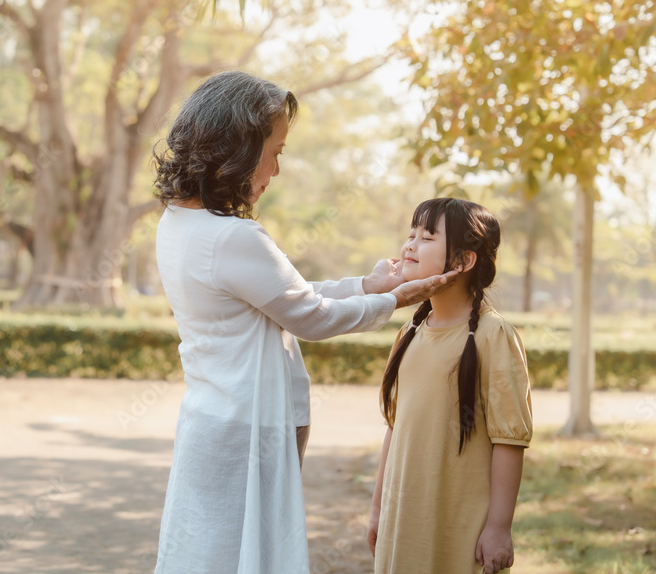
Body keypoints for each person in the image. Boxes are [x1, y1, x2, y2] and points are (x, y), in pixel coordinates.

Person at [150, 70, 458, 574]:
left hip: (214, 418)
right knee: (245, 556)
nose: (276, 169)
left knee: (209, 553)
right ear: (238, 148)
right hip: (247, 430)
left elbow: (283, 296)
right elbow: (310, 316)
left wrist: (367, 286)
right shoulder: (234, 237)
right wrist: (395, 299)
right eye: (274, 152)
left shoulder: (179, 221)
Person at [366, 197, 533, 574]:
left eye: (427, 237)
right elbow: (394, 428)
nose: (410, 245)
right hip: (404, 522)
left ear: (463, 261)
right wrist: (378, 510)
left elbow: (509, 439)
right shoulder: (409, 333)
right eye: (410, 234)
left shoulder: (493, 335)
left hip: (459, 529)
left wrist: (498, 528)